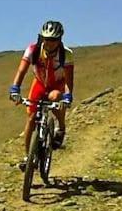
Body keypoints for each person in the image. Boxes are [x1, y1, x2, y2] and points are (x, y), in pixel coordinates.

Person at [8, 20, 74, 170]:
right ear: (42, 38)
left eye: (53, 40)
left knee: (55, 97)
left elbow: (69, 81)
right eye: (46, 39)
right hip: (39, 83)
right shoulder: (33, 50)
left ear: (60, 39)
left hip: (57, 85)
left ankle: (61, 128)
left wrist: (68, 97)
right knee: (31, 117)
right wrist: (15, 88)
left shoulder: (67, 54)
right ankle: (28, 157)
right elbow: (22, 71)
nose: (50, 43)